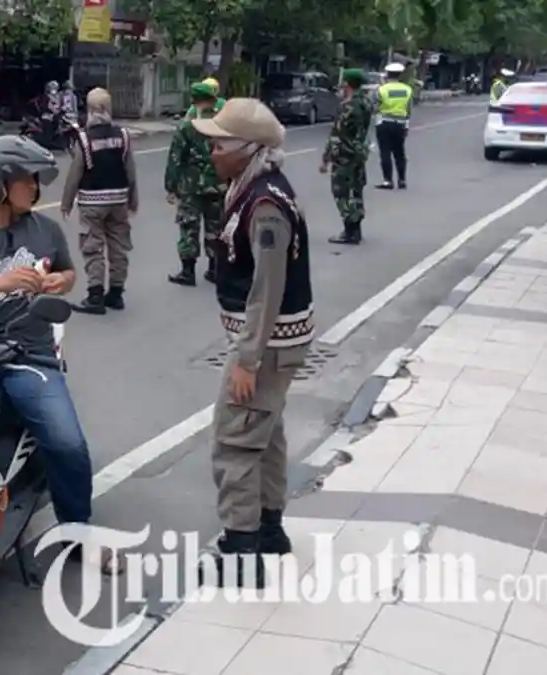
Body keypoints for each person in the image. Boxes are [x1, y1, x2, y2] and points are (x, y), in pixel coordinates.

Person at [0, 134, 122, 574]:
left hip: (27, 355)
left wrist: (60, 283)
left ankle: (79, 533)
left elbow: (69, 273)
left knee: (68, 444)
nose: (35, 188)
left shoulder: (46, 229)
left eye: (36, 180)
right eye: (26, 180)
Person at [192, 98, 314, 587]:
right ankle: (269, 529)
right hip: (271, 344)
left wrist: (247, 358)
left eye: (218, 143)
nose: (212, 151)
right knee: (266, 436)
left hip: (267, 346)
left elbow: (267, 289)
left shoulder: (264, 206)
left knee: (236, 441)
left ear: (247, 149)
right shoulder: (252, 190)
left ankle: (242, 551)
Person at [60, 87, 139, 314]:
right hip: (119, 201)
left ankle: (95, 296)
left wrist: (66, 203)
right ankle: (116, 294)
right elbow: (130, 171)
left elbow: (74, 175)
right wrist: (133, 200)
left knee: (92, 247)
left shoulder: (84, 140)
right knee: (118, 246)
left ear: (91, 110)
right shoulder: (123, 136)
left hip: (92, 202)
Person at [166, 81, 224, 285]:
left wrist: (171, 186)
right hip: (218, 184)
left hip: (190, 187)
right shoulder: (222, 124)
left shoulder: (186, 126)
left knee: (189, 226)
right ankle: (215, 269)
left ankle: (188, 272)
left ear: (193, 100)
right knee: (216, 226)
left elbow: (175, 159)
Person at [321, 68, 372, 245]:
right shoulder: (366, 102)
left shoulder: (348, 107)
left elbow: (337, 134)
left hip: (344, 154)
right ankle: (356, 229)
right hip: (359, 153)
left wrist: (326, 159)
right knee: (356, 191)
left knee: (341, 192)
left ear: (348, 85)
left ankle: (349, 231)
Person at [375, 62, 414, 190]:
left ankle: (388, 181)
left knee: (385, 152)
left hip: (384, 122)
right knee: (400, 153)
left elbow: (375, 106)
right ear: (400, 75)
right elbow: (409, 110)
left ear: (387, 74)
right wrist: (406, 125)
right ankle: (402, 180)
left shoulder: (382, 89)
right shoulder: (407, 89)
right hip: (400, 124)